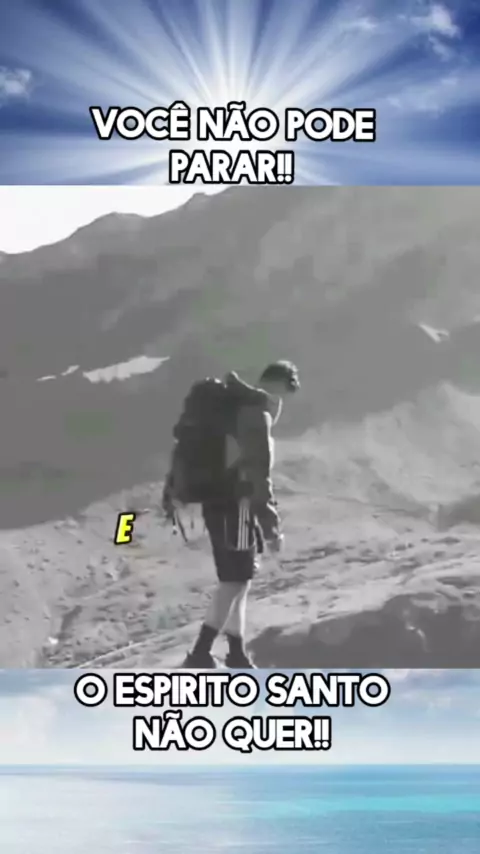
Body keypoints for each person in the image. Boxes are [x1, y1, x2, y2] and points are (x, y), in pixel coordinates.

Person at [178, 360, 301, 668]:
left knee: (239, 579)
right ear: (280, 388)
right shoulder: (256, 415)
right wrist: (271, 529)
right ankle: (200, 654)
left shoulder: (235, 409)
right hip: (237, 507)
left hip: (217, 503)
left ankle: (236, 653)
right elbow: (259, 477)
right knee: (234, 580)